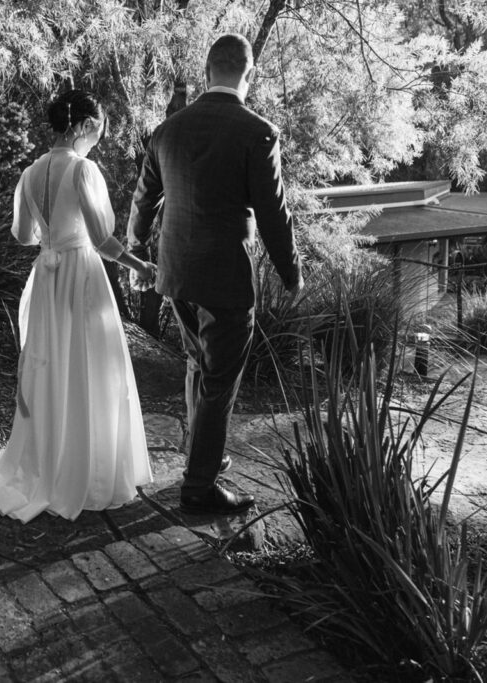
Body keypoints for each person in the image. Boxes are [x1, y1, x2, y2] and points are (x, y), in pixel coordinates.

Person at [127, 34, 303, 516]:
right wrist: (292, 273)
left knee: (196, 362)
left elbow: (145, 199)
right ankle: (199, 486)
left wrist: (137, 249)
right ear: (250, 73)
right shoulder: (258, 132)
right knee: (220, 377)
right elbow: (273, 213)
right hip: (225, 276)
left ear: (207, 71)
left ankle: (198, 454)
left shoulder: (168, 130)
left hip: (177, 272)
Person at [0, 89, 156, 523]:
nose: (99, 138)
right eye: (98, 129)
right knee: (91, 365)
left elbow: (22, 236)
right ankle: (85, 469)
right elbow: (103, 241)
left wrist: (51, 239)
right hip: (81, 277)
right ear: (82, 126)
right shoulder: (82, 170)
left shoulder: (30, 173)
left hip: (48, 277)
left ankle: (45, 462)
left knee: (51, 364)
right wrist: (140, 265)